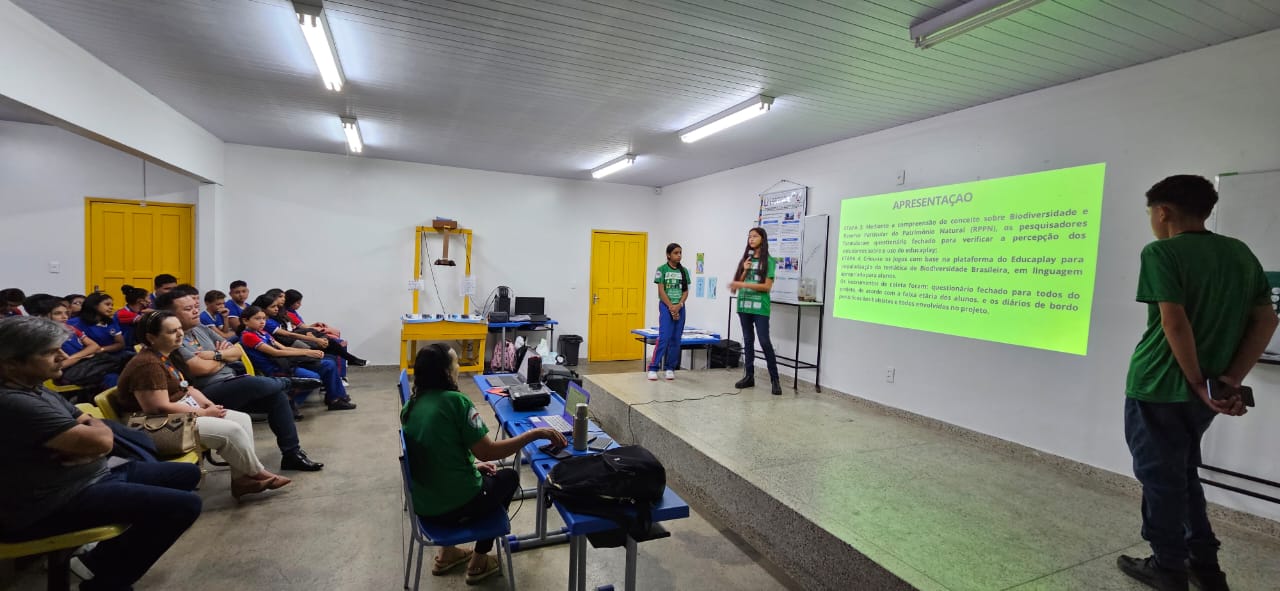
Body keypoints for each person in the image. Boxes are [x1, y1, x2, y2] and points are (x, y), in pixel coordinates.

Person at [1117, 175, 1278, 591]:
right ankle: (1203, 563)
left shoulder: (1161, 252)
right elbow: (1267, 319)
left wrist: (1195, 382)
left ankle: (1168, 567)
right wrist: (1226, 381)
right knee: (1183, 472)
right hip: (1204, 395)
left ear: (1163, 212)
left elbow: (1174, 320)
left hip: (1158, 385)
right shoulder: (1239, 253)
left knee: (1159, 477)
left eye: (1152, 213)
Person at [0, 316, 203, 590]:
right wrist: (94, 439)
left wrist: (91, 438)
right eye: (50, 352)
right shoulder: (14, 402)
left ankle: (96, 560)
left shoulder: (37, 388)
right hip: (52, 501)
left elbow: (88, 423)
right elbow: (100, 441)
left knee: (187, 474)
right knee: (184, 506)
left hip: (93, 473)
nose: (63, 356)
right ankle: (107, 583)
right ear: (11, 362)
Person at [402, 343, 567, 584]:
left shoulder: (412, 406)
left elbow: (438, 450)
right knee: (509, 478)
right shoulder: (456, 403)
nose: (458, 366)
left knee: (490, 474)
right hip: (453, 508)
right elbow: (488, 452)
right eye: (455, 362)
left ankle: (447, 553)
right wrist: (535, 434)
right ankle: (479, 560)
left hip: (425, 506)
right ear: (446, 372)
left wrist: (469, 467)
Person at [116, 310, 291, 500]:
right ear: (151, 337)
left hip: (180, 413)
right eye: (172, 331)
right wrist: (203, 412)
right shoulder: (147, 364)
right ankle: (257, 473)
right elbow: (159, 408)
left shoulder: (167, 356)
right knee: (231, 431)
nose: (180, 334)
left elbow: (186, 387)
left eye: (179, 329)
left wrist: (208, 404)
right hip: (157, 425)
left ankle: (242, 480)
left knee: (241, 419)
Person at [155, 291, 324, 470]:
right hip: (206, 392)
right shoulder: (172, 339)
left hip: (231, 382)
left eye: (196, 307)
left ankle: (292, 454)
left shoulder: (201, 329)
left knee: (277, 397)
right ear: (170, 315)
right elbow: (200, 369)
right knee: (252, 382)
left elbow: (236, 351)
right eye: (189, 309)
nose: (196, 311)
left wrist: (216, 355)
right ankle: (288, 382)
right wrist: (223, 358)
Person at [238, 305, 356, 411]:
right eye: (257, 319)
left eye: (264, 318)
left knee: (328, 364)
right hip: (275, 368)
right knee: (313, 378)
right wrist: (305, 353)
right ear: (245, 321)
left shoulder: (262, 333)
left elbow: (283, 348)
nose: (262, 322)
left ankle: (335, 399)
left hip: (285, 363)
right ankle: (288, 405)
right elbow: (275, 353)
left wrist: (308, 351)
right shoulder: (248, 336)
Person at [26, 294, 122, 391]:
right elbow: (57, 366)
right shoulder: (44, 337)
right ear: (44, 316)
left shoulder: (70, 328)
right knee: (112, 376)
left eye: (66, 313)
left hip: (87, 365)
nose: (65, 317)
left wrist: (74, 357)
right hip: (69, 372)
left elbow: (94, 346)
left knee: (121, 367)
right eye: (58, 313)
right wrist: (82, 356)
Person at [728, 227, 782, 395]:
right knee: (748, 341)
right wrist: (744, 270)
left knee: (764, 341)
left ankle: (775, 379)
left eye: (755, 236)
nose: (751, 239)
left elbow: (766, 287)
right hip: (744, 307)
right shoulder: (746, 259)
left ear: (762, 239)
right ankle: (749, 376)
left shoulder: (769, 261)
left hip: (760, 308)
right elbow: (734, 288)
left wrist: (743, 284)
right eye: (749, 236)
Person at [254, 293, 367, 367]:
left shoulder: (283, 315)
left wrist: (313, 335)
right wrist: (312, 341)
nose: (277, 308)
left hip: (293, 341)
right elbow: (289, 336)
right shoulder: (267, 323)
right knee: (330, 351)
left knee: (331, 344)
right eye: (274, 306)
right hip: (292, 343)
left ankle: (346, 367)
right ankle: (348, 363)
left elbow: (296, 329)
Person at [648, 243, 690, 381]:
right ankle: (653, 367)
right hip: (666, 307)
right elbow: (661, 291)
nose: (679, 255)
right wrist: (671, 307)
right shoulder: (661, 270)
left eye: (680, 253)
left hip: (680, 307)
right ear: (668, 255)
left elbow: (685, 291)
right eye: (676, 253)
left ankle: (670, 368)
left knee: (676, 339)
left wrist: (679, 305)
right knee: (664, 337)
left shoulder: (684, 271)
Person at [68, 292, 129, 360]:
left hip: (111, 357)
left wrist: (102, 349)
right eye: (107, 304)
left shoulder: (110, 322)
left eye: (112, 305)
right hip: (85, 358)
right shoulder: (75, 322)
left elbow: (120, 344)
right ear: (94, 305)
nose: (111, 307)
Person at [114, 285, 150, 349]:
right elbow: (148, 320)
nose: (150, 301)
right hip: (124, 349)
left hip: (136, 346)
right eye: (148, 298)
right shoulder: (122, 313)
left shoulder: (141, 311)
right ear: (141, 301)